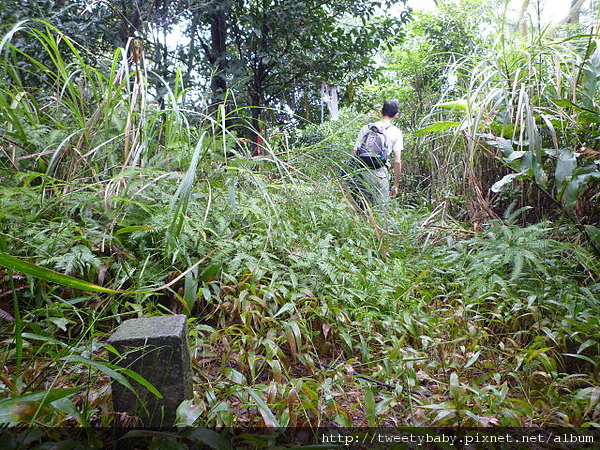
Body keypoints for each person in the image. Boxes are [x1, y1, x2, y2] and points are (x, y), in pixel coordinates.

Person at [342, 100, 403, 216]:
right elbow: (397, 161)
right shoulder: (396, 132)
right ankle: (379, 232)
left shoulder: (366, 128)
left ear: (381, 112)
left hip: (362, 172)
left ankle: (363, 230)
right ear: (396, 115)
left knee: (362, 209)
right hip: (380, 173)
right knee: (381, 211)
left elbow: (355, 152)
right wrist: (396, 184)